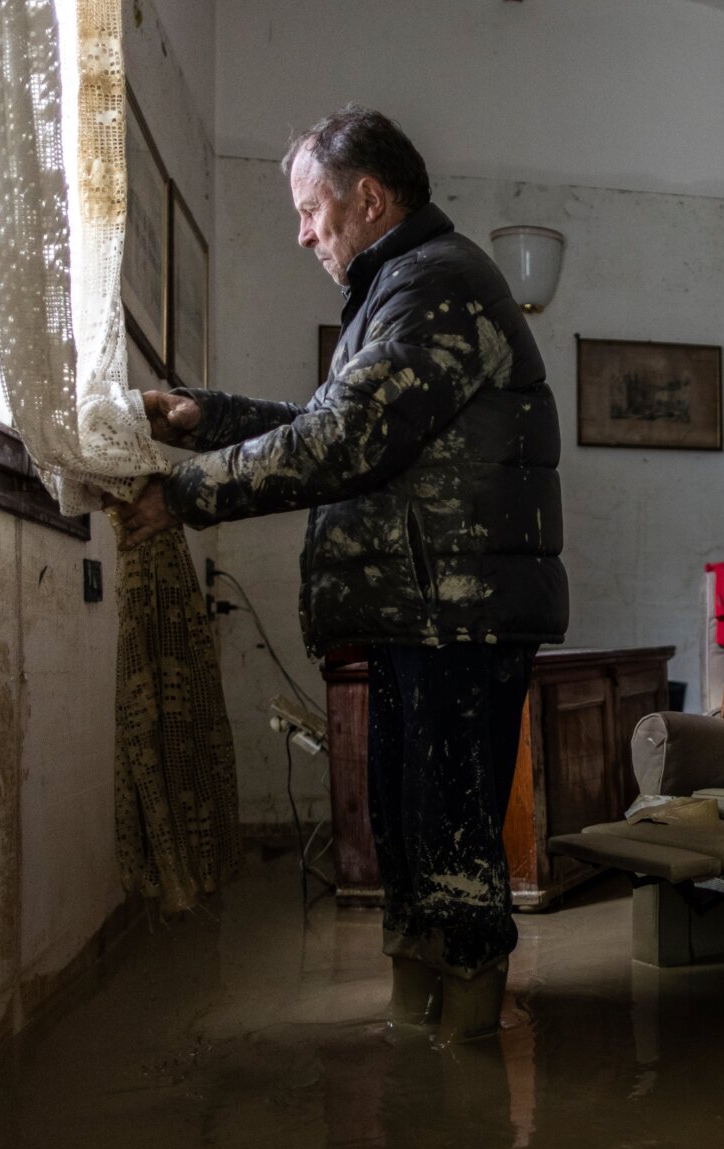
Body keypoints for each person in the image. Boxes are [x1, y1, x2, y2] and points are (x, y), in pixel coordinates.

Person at [112, 106, 567, 1045]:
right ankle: (420, 1023)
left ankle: (466, 1044)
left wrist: (187, 495)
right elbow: (337, 418)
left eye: (312, 210)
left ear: (368, 198)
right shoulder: (400, 287)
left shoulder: (435, 283)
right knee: (405, 832)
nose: (303, 232)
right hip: (422, 606)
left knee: (448, 834)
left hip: (457, 609)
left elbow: (346, 438)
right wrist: (209, 415)